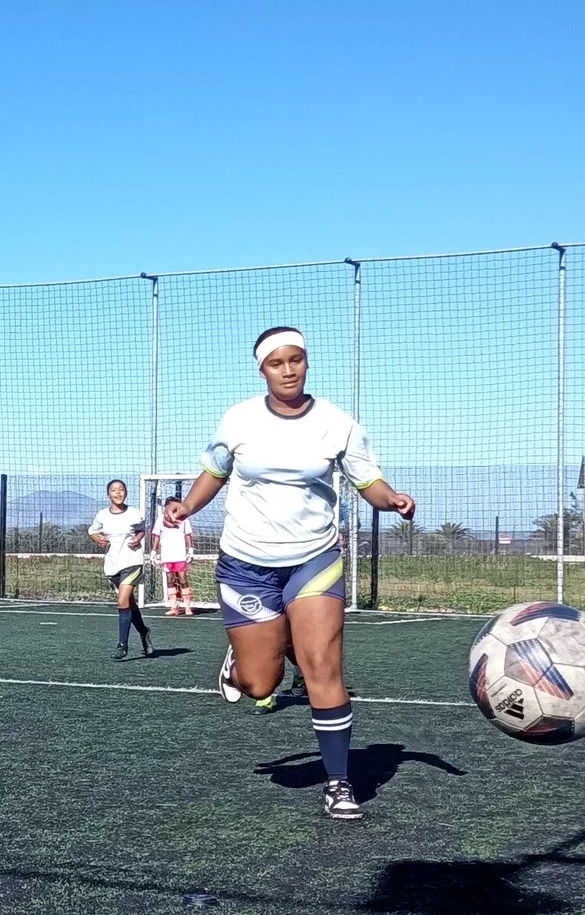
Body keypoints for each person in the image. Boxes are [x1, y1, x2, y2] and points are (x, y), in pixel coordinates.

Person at [171, 326, 416, 822]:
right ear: (261, 369)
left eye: (296, 360)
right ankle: (241, 661)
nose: (288, 370)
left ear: (307, 363)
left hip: (315, 559)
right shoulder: (238, 419)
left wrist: (390, 499)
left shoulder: (337, 423)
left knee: (324, 667)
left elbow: (367, 479)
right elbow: (214, 472)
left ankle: (339, 782)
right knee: (261, 685)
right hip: (246, 563)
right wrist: (187, 507)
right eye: (276, 363)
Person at [88, 479, 153, 658]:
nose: (118, 493)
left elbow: (142, 529)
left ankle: (122, 645)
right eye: (114, 490)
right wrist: (97, 539)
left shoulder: (134, 513)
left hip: (132, 561)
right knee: (129, 603)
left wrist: (138, 538)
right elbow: (92, 531)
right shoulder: (102, 515)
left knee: (122, 600)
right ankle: (144, 632)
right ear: (108, 494)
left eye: (121, 490)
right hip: (113, 564)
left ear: (126, 493)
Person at [157, 501, 196, 617]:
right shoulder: (160, 519)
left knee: (183, 578)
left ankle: (188, 607)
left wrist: (191, 549)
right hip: (167, 555)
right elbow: (156, 535)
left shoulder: (183, 519)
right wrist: (154, 551)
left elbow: (188, 534)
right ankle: (174, 607)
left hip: (180, 554)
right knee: (170, 579)